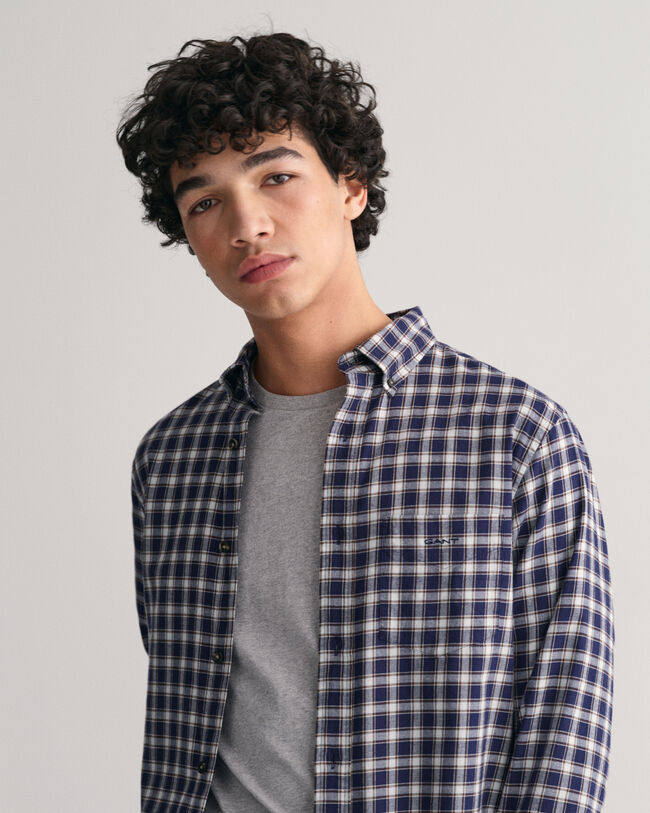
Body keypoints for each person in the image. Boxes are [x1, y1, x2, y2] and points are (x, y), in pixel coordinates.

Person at [116, 32, 615, 813]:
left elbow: (564, 737)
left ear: (351, 185)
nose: (247, 224)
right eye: (205, 201)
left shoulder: (516, 436)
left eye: (276, 176)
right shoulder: (172, 459)